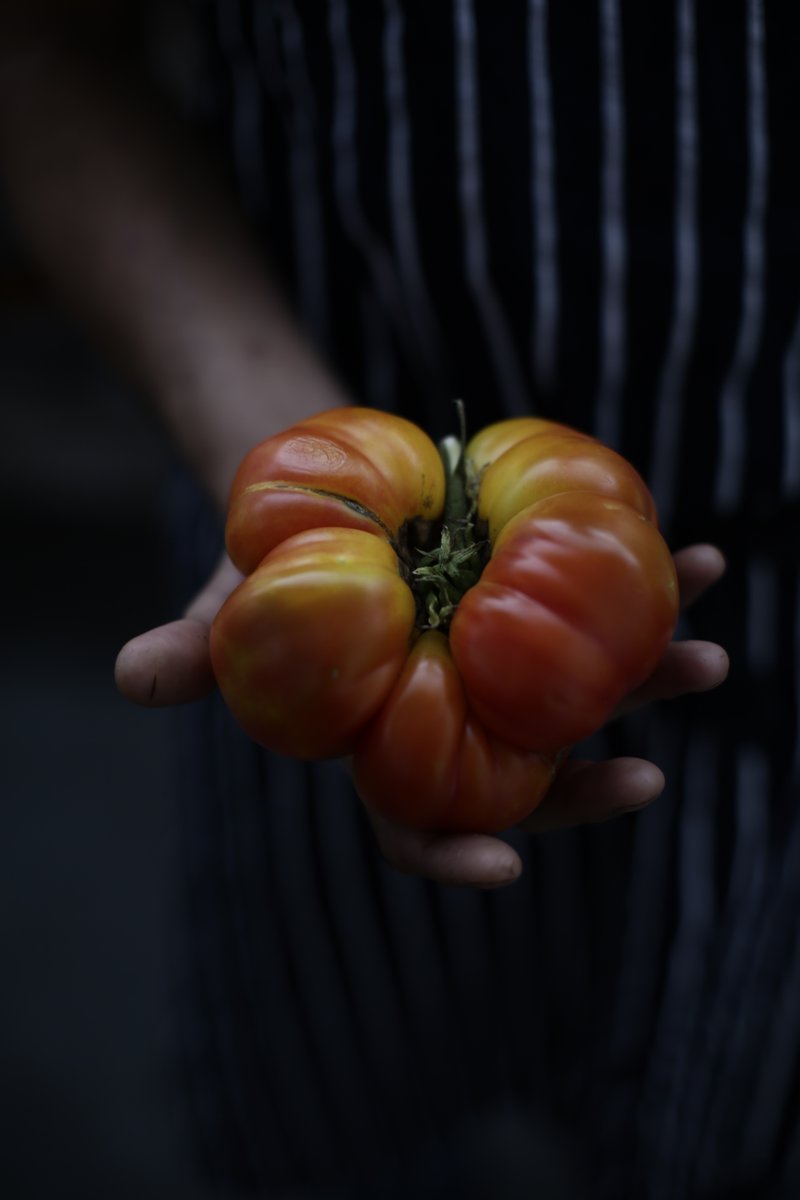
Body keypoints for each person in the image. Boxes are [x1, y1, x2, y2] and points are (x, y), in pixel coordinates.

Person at [0, 3, 793, 1197]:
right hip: (307, 485)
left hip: (377, 580)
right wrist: (255, 439)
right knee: (339, 1098)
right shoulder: (327, 584)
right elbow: (37, 43)